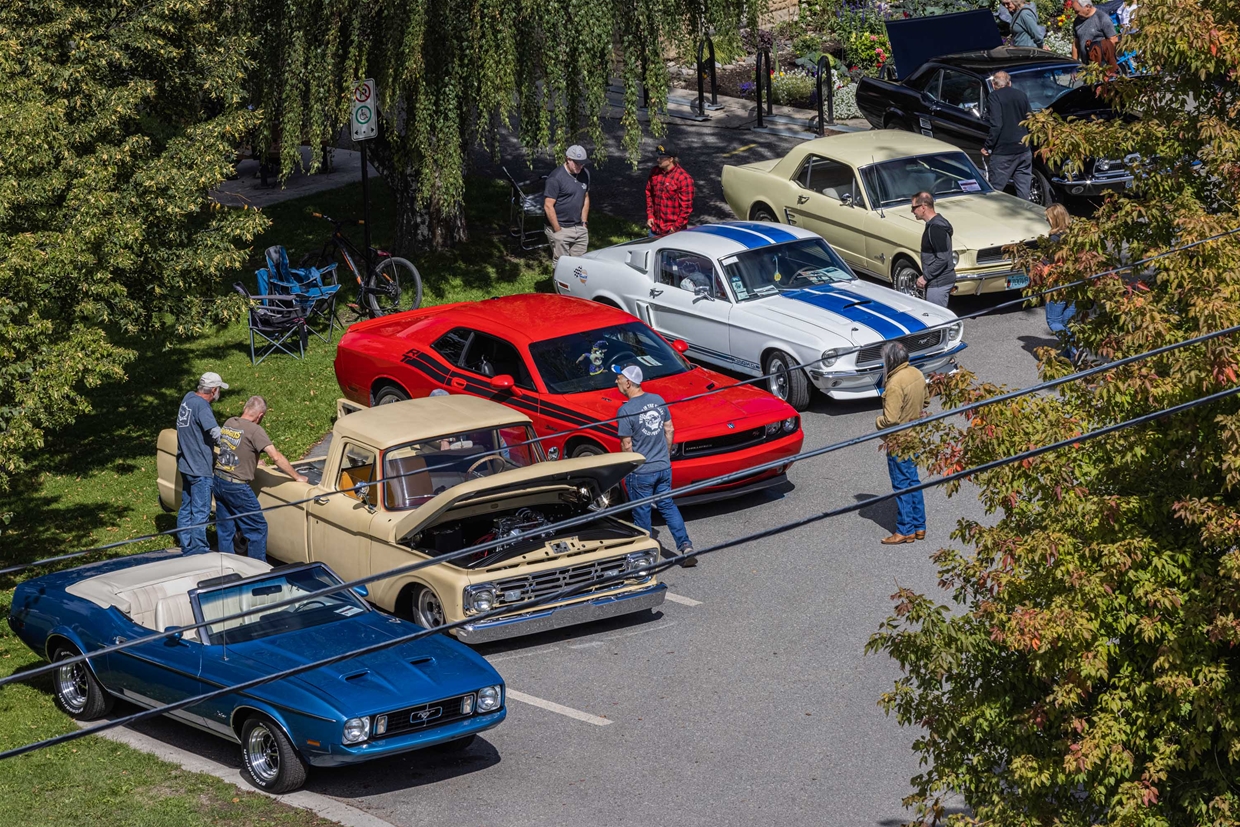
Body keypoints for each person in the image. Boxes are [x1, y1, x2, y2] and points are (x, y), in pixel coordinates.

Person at [612, 364, 695, 567]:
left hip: (641, 471)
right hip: (662, 467)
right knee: (667, 505)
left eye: (619, 378)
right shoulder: (658, 400)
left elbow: (627, 444)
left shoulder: (626, 410)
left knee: (641, 512)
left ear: (628, 383)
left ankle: (645, 557)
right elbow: (669, 429)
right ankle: (685, 546)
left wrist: (628, 468)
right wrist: (665, 456)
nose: (616, 381)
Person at [213, 396, 308, 560]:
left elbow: (235, 447)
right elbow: (276, 457)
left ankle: (226, 565)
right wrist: (297, 476)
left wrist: (253, 461)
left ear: (245, 408)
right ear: (260, 416)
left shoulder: (230, 422)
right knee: (257, 527)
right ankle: (257, 571)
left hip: (219, 479)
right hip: (236, 486)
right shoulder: (255, 431)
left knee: (225, 526)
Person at [875, 342, 927, 545]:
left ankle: (905, 530)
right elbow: (926, 401)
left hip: (898, 440)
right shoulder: (916, 373)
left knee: (901, 484)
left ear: (890, 360)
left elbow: (890, 419)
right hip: (915, 435)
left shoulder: (895, 383)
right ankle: (919, 526)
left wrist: (877, 422)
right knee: (913, 481)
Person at [176, 372, 228, 554]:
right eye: (219, 390)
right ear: (213, 390)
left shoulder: (188, 399)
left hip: (185, 464)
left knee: (186, 507)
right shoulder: (203, 407)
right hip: (199, 469)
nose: (218, 393)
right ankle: (198, 550)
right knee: (200, 510)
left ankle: (185, 542)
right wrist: (232, 448)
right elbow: (216, 434)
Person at [982, 70, 1034, 201]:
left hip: (1003, 152)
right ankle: (1026, 213)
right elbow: (1030, 120)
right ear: (1009, 83)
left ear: (994, 85)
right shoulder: (1021, 95)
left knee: (996, 190)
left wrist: (988, 146)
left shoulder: (994, 97)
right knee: (1024, 190)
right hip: (1023, 148)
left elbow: (997, 125)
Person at [543, 145, 591, 267]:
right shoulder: (555, 178)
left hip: (579, 227)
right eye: (577, 163)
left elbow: (585, 197)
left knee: (579, 265)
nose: (580, 166)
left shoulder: (585, 174)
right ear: (568, 159)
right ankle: (557, 286)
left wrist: (584, 223)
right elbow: (548, 206)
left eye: (582, 164)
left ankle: (575, 286)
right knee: (561, 265)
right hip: (561, 227)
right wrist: (557, 230)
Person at [1042, 203, 1078, 361]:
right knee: (1067, 321)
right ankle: (1068, 355)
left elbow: (1055, 264)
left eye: (1048, 217)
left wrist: (1042, 265)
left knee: (1054, 321)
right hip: (1077, 284)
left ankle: (1074, 350)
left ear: (1054, 218)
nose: (1046, 220)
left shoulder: (1055, 239)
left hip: (1058, 284)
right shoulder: (1076, 235)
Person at [912, 191, 956, 307]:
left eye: (913, 208)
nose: (912, 211)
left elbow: (942, 258)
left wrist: (925, 277)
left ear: (923, 207)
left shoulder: (936, 228)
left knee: (937, 320)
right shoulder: (936, 224)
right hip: (938, 281)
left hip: (938, 283)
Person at [645, 141, 695, 236]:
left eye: (661, 158)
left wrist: (674, 228)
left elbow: (686, 208)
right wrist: (650, 215)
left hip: (673, 232)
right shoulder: (654, 172)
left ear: (671, 159)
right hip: (655, 229)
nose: (658, 160)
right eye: (657, 157)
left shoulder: (684, 179)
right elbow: (649, 194)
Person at [1070, 0, 1118, 72]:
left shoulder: (1102, 18)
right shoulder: (1077, 21)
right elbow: (1076, 45)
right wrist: (1074, 66)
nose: (1075, 14)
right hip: (1087, 66)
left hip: (1103, 67)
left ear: (1087, 7)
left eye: (1077, 11)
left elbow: (1113, 40)